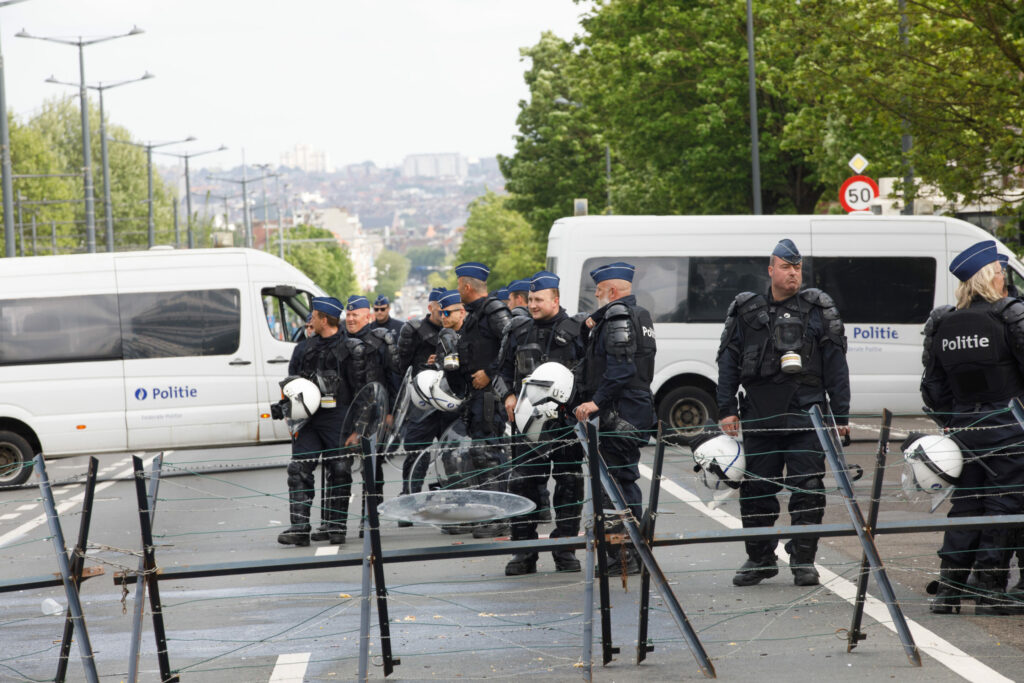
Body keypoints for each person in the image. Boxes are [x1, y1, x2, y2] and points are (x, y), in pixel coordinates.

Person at [716, 239, 850, 587]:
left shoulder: (819, 309)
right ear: (771, 269)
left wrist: (841, 415)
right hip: (760, 414)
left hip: (806, 413)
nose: (793, 274)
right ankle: (760, 560)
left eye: (798, 268)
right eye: (786, 267)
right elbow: (728, 361)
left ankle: (803, 560)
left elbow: (836, 365)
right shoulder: (746, 310)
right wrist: (726, 408)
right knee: (757, 491)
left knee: (808, 488)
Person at [921, 239, 1024, 615]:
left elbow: (931, 389)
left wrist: (956, 420)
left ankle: (949, 591)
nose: (1003, 280)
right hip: (1009, 428)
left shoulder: (942, 322)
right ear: (987, 278)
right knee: (1003, 508)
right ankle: (990, 591)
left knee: (965, 508)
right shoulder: (1010, 314)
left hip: (964, 430)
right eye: (1000, 273)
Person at [573, 262, 657, 574]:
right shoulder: (637, 315)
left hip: (620, 412)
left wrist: (595, 402)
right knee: (619, 480)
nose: (595, 296)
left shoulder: (619, 316)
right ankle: (625, 552)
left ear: (610, 291)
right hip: (629, 408)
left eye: (597, 291)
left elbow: (622, 369)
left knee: (617, 482)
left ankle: (624, 555)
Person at [500, 270, 585, 574]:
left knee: (570, 483)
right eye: (531, 299)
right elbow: (500, 373)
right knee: (523, 483)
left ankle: (565, 550)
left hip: (564, 423)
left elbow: (589, 375)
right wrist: (508, 395)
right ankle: (524, 552)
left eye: (539, 299)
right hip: (527, 424)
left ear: (556, 299)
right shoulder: (518, 330)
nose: (533, 305)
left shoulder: (577, 330)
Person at [277, 296, 380, 547]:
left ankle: (336, 527)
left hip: (340, 417)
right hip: (309, 419)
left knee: (340, 471)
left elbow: (365, 393)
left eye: (313, 315)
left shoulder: (353, 349)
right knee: (299, 469)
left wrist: (359, 430)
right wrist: (288, 410)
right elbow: (292, 384)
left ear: (324, 319)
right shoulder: (303, 348)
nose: (310, 319)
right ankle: (299, 528)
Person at [453, 262, 514, 538]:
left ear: (467, 286)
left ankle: (498, 517)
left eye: (458, 286)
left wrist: (490, 373)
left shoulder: (493, 311)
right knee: (480, 456)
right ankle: (488, 514)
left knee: (490, 455)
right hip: (475, 397)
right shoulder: (475, 315)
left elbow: (511, 342)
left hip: (491, 395)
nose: (458, 291)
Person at [344, 295, 396, 536]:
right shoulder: (342, 342)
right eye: (349, 314)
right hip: (346, 411)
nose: (351, 318)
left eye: (356, 315)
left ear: (368, 317)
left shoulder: (380, 341)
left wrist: (391, 412)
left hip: (375, 412)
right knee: (341, 466)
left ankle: (371, 518)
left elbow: (393, 377)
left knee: (371, 467)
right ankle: (334, 523)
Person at [394, 287, 447, 504]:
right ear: (430, 307)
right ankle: (410, 498)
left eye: (447, 310)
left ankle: (451, 499)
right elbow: (400, 366)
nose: (444, 314)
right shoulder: (414, 330)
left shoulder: (459, 327)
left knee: (452, 453)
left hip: (448, 400)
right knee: (417, 452)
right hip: (421, 402)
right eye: (440, 309)